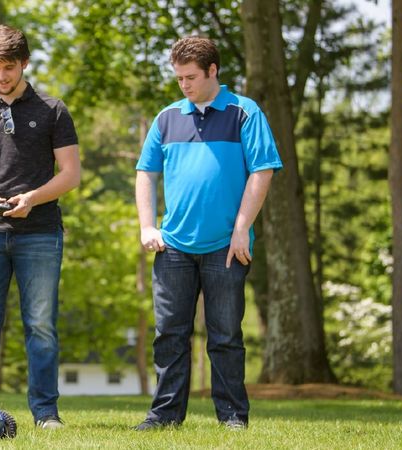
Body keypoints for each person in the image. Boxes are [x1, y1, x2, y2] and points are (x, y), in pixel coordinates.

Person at [134, 36, 282, 430]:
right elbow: (145, 173)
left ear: (213, 71)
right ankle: (164, 417)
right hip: (174, 247)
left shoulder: (244, 112)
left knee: (226, 337)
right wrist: (148, 225)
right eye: (179, 77)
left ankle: (232, 416)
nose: (184, 85)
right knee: (169, 336)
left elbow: (262, 171)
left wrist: (241, 230)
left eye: (191, 77)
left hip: (226, 248)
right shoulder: (167, 117)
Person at [0, 24, 81, 430]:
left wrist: (32, 199)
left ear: (24, 63)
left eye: (8, 67)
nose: (1, 76)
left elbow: (71, 174)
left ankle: (46, 413)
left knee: (40, 325)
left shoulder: (53, 110)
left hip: (39, 231)